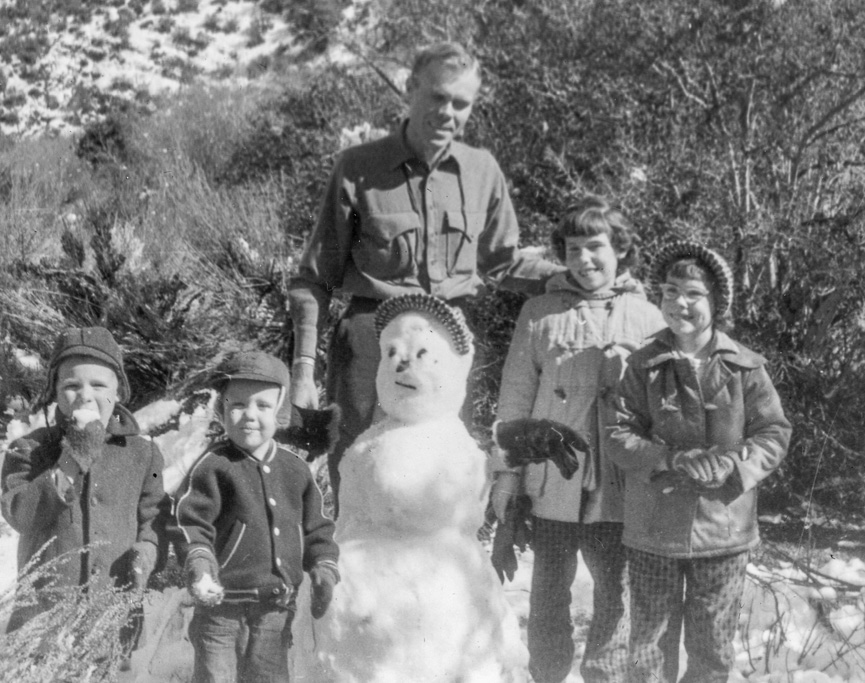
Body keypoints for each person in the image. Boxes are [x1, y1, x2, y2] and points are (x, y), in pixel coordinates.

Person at [288, 41, 562, 504]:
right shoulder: (358, 168)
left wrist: (568, 276)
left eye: (461, 103)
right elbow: (315, 277)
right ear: (411, 89)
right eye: (437, 97)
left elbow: (503, 261)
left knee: (443, 470)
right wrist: (301, 370)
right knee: (357, 467)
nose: (448, 112)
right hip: (371, 344)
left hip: (448, 343)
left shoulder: (482, 171)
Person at [490, 197, 666, 683]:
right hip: (551, 483)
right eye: (573, 249)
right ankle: (547, 673)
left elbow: (666, 408)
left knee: (616, 590)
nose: (585, 260)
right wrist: (506, 478)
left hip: (618, 488)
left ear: (621, 251)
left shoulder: (649, 316)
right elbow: (515, 401)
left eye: (596, 247)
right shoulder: (539, 312)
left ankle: (604, 674)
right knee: (548, 591)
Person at [608, 241, 791, 683]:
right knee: (648, 643)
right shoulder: (643, 364)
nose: (679, 303)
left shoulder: (744, 367)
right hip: (654, 530)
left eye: (693, 293)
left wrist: (734, 465)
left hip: (722, 530)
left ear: (716, 303)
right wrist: (669, 459)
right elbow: (618, 432)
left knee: (712, 646)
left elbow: (773, 432)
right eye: (670, 292)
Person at [171, 351, 339, 683]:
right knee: (215, 677)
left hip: (274, 608)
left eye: (262, 406)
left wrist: (323, 565)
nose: (249, 415)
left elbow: (317, 527)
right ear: (222, 410)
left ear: (280, 412)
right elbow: (190, 521)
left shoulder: (294, 470)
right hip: (220, 609)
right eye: (237, 405)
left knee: (268, 677)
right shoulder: (214, 465)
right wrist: (200, 563)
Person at [1, 327, 165, 641]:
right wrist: (74, 455)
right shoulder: (28, 450)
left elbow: (154, 517)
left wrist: (147, 549)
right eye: (72, 385)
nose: (85, 395)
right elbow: (20, 514)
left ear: (118, 392)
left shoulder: (144, 454)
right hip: (44, 622)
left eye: (99, 385)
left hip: (113, 618)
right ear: (54, 391)